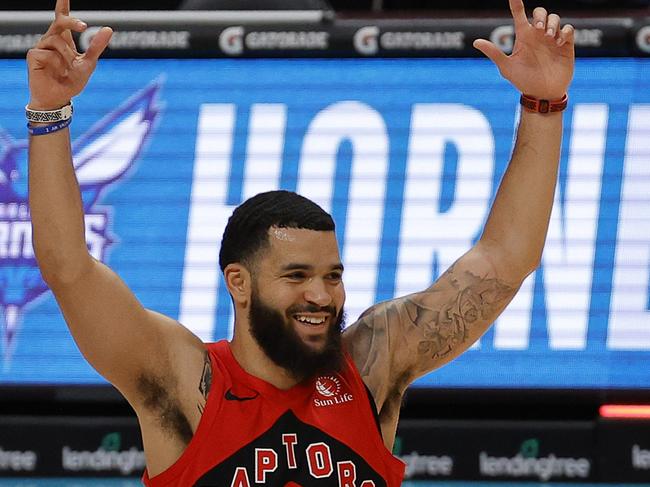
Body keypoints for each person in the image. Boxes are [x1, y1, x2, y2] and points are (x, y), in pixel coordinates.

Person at [26, 0, 574, 484]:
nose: (322, 295)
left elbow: (503, 261)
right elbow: (67, 266)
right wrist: (50, 113)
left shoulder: (369, 365)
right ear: (238, 283)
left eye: (332, 275)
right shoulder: (184, 381)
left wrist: (543, 105)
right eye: (297, 276)